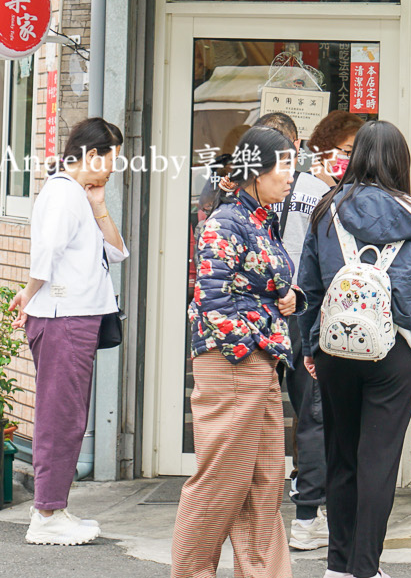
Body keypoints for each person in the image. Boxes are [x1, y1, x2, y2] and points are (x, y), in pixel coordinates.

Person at [296, 122, 411, 578]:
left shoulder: (327, 212)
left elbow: (308, 287)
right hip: (395, 354)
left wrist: (311, 346)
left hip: (335, 351)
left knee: (341, 456)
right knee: (379, 462)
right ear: (400, 163)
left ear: (357, 156)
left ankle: (337, 567)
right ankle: (366, 568)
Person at [172, 127, 299, 578]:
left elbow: (267, 283)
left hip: (257, 361)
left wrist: (291, 298)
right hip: (232, 362)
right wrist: (248, 347)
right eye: (284, 166)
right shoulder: (227, 221)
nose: (291, 175)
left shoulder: (261, 219)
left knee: (264, 483)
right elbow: (210, 295)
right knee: (221, 482)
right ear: (257, 171)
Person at [13, 117, 127, 547]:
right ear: (93, 154)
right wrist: (28, 295)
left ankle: (54, 506)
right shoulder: (62, 194)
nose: (112, 170)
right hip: (63, 317)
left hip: (74, 317)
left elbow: (116, 252)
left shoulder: (77, 195)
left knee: (68, 415)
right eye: (111, 160)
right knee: (61, 417)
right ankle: (45, 514)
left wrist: (99, 203)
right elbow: (46, 253)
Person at [281, 116, 336, 553]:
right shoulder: (320, 194)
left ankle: (257, 516)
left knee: (260, 417)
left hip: (261, 317)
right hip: (303, 314)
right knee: (311, 415)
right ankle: (306, 519)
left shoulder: (241, 198)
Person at [308, 112, 367, 186]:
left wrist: (332, 186)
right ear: (327, 148)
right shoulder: (306, 181)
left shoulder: (359, 185)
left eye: (358, 152)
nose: (353, 157)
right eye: (348, 151)